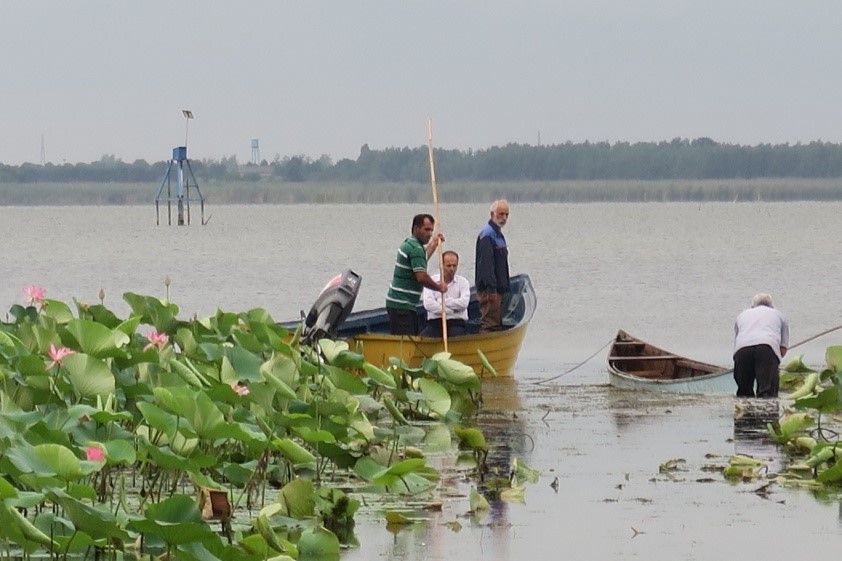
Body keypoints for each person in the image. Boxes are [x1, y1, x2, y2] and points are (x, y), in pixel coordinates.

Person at [386, 214, 447, 335]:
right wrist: (439, 287)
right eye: (426, 230)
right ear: (416, 229)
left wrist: (434, 243)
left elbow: (422, 259)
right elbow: (421, 277)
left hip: (397, 303)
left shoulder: (410, 243)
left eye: (431, 230)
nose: (429, 234)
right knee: (406, 340)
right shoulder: (416, 249)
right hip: (402, 305)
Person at [733, 293, 789, 398]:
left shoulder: (742, 315)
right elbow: (783, 349)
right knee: (766, 393)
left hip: (742, 350)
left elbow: (737, 342)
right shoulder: (780, 315)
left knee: (744, 393)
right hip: (767, 348)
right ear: (772, 306)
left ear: (752, 306)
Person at [475, 199, 510, 332]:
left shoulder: (498, 235)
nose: (504, 218)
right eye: (501, 214)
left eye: (506, 214)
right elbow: (486, 264)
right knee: (489, 325)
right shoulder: (487, 235)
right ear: (492, 214)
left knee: (496, 323)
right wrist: (491, 288)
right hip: (490, 291)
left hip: (499, 289)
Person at [420, 250, 471, 337]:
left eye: (454, 266)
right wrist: (448, 311)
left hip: (456, 322)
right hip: (435, 322)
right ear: (441, 265)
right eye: (448, 266)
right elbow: (428, 304)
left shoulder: (463, 282)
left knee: (457, 335)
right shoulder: (431, 281)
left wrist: (442, 301)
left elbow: (463, 303)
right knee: (424, 338)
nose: (452, 269)